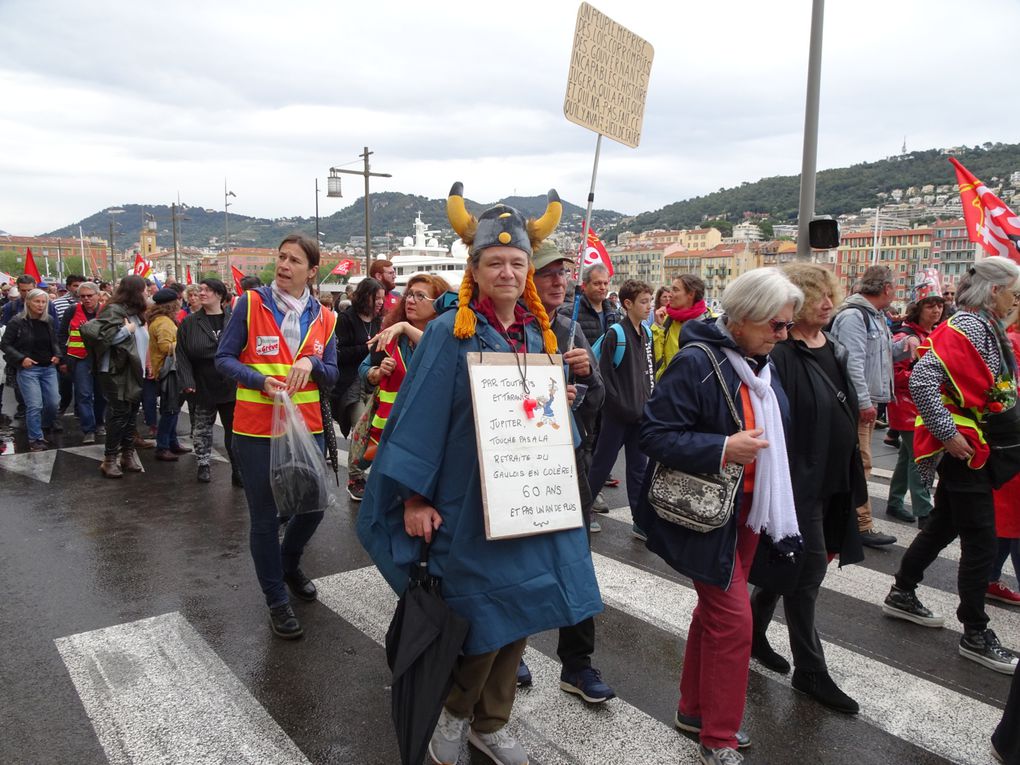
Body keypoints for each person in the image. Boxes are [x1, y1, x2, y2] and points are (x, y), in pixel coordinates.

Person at [357, 185, 601, 765]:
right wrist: (415, 498)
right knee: (476, 615)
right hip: (467, 502)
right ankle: (455, 713)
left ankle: (492, 722)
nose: (510, 272)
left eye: (518, 262)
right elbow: (420, 419)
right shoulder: (450, 332)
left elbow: (546, 418)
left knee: (524, 610)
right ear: (475, 269)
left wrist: (563, 394)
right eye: (497, 262)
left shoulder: (542, 334)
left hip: (529, 498)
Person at [636, 267, 804, 765]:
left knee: (714, 616)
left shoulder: (761, 363)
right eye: (777, 325)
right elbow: (653, 434)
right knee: (733, 623)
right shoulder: (698, 361)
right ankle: (719, 737)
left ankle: (693, 711)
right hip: (706, 514)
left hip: (751, 512)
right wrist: (723, 447)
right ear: (745, 318)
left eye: (787, 326)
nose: (783, 334)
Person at [884, 256, 1020, 675]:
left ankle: (902, 591)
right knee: (980, 543)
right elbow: (925, 380)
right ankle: (975, 632)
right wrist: (948, 434)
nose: (1018, 299)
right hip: (967, 449)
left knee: (944, 525)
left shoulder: (985, 327)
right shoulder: (971, 328)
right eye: (1014, 291)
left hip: (976, 446)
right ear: (995, 291)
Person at [748, 263, 867, 715]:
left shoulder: (830, 347)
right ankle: (811, 669)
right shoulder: (779, 354)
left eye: (828, 292)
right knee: (809, 571)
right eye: (814, 293)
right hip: (797, 485)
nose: (826, 301)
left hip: (832, 479)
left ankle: (754, 633)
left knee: (790, 568)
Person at [215, 234, 339, 639]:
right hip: (255, 430)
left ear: (311, 271)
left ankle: (289, 561)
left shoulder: (325, 318)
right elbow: (224, 359)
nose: (284, 265)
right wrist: (259, 379)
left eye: (294, 260)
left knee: (312, 506)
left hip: (307, 429)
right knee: (266, 517)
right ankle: (276, 599)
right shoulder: (250, 304)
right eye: (281, 257)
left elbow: (334, 376)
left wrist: (313, 362)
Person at [526, 240, 615, 702]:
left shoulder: (571, 329)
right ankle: (509, 648)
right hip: (516, 470)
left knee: (575, 565)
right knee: (513, 562)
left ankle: (577, 664)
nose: (559, 281)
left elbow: (597, 400)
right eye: (548, 274)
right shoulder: (496, 332)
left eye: (563, 274)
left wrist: (583, 377)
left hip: (566, 466)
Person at [828, 265, 905, 548]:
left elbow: (877, 356)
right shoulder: (854, 316)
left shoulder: (875, 317)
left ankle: (851, 521)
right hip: (858, 402)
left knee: (859, 462)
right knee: (862, 463)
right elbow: (853, 362)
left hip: (868, 400)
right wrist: (863, 401)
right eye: (894, 287)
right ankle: (861, 524)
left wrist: (901, 347)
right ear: (886, 289)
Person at [355, 272, 451, 471]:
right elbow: (364, 369)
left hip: (427, 435)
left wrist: (405, 327)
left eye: (420, 296)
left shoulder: (448, 337)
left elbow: (438, 348)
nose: (411, 300)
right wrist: (378, 372)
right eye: (409, 294)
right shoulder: (393, 335)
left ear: (439, 305)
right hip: (388, 433)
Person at [587, 279, 655, 541]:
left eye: (650, 300)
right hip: (617, 417)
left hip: (640, 416)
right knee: (601, 465)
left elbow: (648, 372)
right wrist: (621, 407)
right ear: (628, 304)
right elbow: (604, 377)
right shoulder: (616, 333)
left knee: (639, 469)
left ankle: (639, 521)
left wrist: (648, 404)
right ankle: (584, 511)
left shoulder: (646, 334)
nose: (649, 306)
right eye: (644, 302)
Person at [884, 296, 944, 524]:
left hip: (921, 405)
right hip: (907, 407)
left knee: (906, 458)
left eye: (939, 306)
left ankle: (895, 502)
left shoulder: (934, 334)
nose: (936, 310)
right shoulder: (905, 337)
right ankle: (923, 511)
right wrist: (930, 378)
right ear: (918, 309)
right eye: (930, 306)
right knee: (921, 457)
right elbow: (896, 375)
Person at [85, 275, 150, 479]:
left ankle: (127, 455)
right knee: (119, 413)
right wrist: (126, 330)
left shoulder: (135, 313)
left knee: (131, 414)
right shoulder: (115, 310)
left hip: (132, 370)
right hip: (115, 370)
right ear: (135, 291)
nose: (147, 292)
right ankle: (110, 459)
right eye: (144, 289)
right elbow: (105, 338)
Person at [176, 278, 240, 485]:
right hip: (201, 383)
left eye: (208, 290)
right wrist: (187, 382)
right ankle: (203, 464)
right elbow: (182, 355)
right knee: (202, 429)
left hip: (231, 383)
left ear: (220, 295)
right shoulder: (190, 322)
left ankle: (237, 469)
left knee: (234, 430)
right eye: (201, 290)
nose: (202, 293)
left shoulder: (235, 320)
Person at [333, 277, 384, 500]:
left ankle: (370, 473)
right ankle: (355, 477)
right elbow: (338, 354)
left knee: (375, 430)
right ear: (365, 297)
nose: (381, 302)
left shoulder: (380, 320)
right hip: (351, 383)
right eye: (377, 298)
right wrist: (366, 348)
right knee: (361, 428)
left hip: (373, 382)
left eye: (383, 298)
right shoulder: (346, 319)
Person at [0, 288, 61, 451]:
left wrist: (57, 355)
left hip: (48, 367)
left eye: (43, 302)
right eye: (37, 301)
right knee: (34, 405)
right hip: (29, 369)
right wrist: (22, 358)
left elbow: (54, 341)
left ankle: (44, 426)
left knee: (53, 403)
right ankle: (35, 438)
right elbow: (5, 344)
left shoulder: (48, 320)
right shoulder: (17, 321)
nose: (40, 305)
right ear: (28, 302)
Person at [58, 281, 105, 444]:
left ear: (98, 296)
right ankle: (89, 429)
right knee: (83, 394)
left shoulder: (106, 311)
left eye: (89, 296)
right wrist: (64, 358)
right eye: (82, 296)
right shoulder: (72, 311)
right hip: (80, 359)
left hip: (102, 359)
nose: (86, 299)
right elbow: (62, 334)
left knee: (101, 394)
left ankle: (100, 423)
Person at [145, 289, 190, 461]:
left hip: (168, 369)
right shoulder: (163, 322)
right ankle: (163, 447)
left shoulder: (161, 320)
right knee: (170, 410)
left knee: (172, 409)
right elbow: (166, 347)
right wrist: (185, 341)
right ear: (173, 303)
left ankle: (172, 442)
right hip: (169, 370)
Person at [653, 273, 713, 380]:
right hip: (670, 388)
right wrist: (657, 327)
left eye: (675, 290)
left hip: (699, 391)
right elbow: (653, 358)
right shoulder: (667, 320)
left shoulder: (711, 322)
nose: (670, 294)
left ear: (691, 294)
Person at [557, 263, 620, 347]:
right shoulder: (570, 314)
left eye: (605, 283)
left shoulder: (614, 315)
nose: (603, 287)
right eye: (597, 283)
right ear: (585, 286)